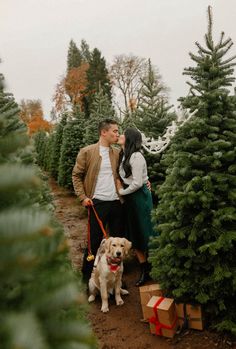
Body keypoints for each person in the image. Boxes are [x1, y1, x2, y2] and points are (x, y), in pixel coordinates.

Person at [72, 119, 124, 282]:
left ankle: (116, 278)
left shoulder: (117, 152)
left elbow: (125, 174)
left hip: (117, 203)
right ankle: (87, 276)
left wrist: (145, 182)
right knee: (93, 242)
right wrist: (83, 197)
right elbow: (76, 175)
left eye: (117, 131)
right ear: (104, 132)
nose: (117, 134)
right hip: (97, 203)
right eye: (114, 131)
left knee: (117, 245)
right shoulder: (87, 152)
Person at [117, 127, 154, 287]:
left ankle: (151, 268)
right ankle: (145, 268)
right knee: (135, 233)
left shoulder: (137, 156)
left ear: (129, 138)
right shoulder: (123, 154)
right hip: (131, 197)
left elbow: (138, 183)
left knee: (145, 230)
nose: (120, 135)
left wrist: (121, 191)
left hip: (139, 197)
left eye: (123, 134)